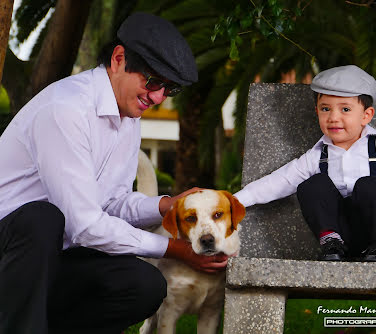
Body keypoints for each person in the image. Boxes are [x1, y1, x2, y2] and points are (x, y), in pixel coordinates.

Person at [0, 13, 228, 334]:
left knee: (144, 285)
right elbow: (86, 226)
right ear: (119, 59)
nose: (159, 97)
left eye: (169, 89)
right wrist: (175, 249)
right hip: (11, 253)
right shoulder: (66, 109)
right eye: (153, 82)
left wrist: (165, 206)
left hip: (53, 260)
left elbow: (110, 204)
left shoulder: (128, 117)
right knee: (43, 220)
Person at [234, 65, 376, 263]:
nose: (334, 117)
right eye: (325, 109)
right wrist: (235, 201)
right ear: (316, 111)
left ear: (366, 115)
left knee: (370, 185)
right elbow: (280, 181)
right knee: (312, 185)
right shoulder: (317, 155)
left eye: (345, 109)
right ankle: (332, 243)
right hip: (340, 237)